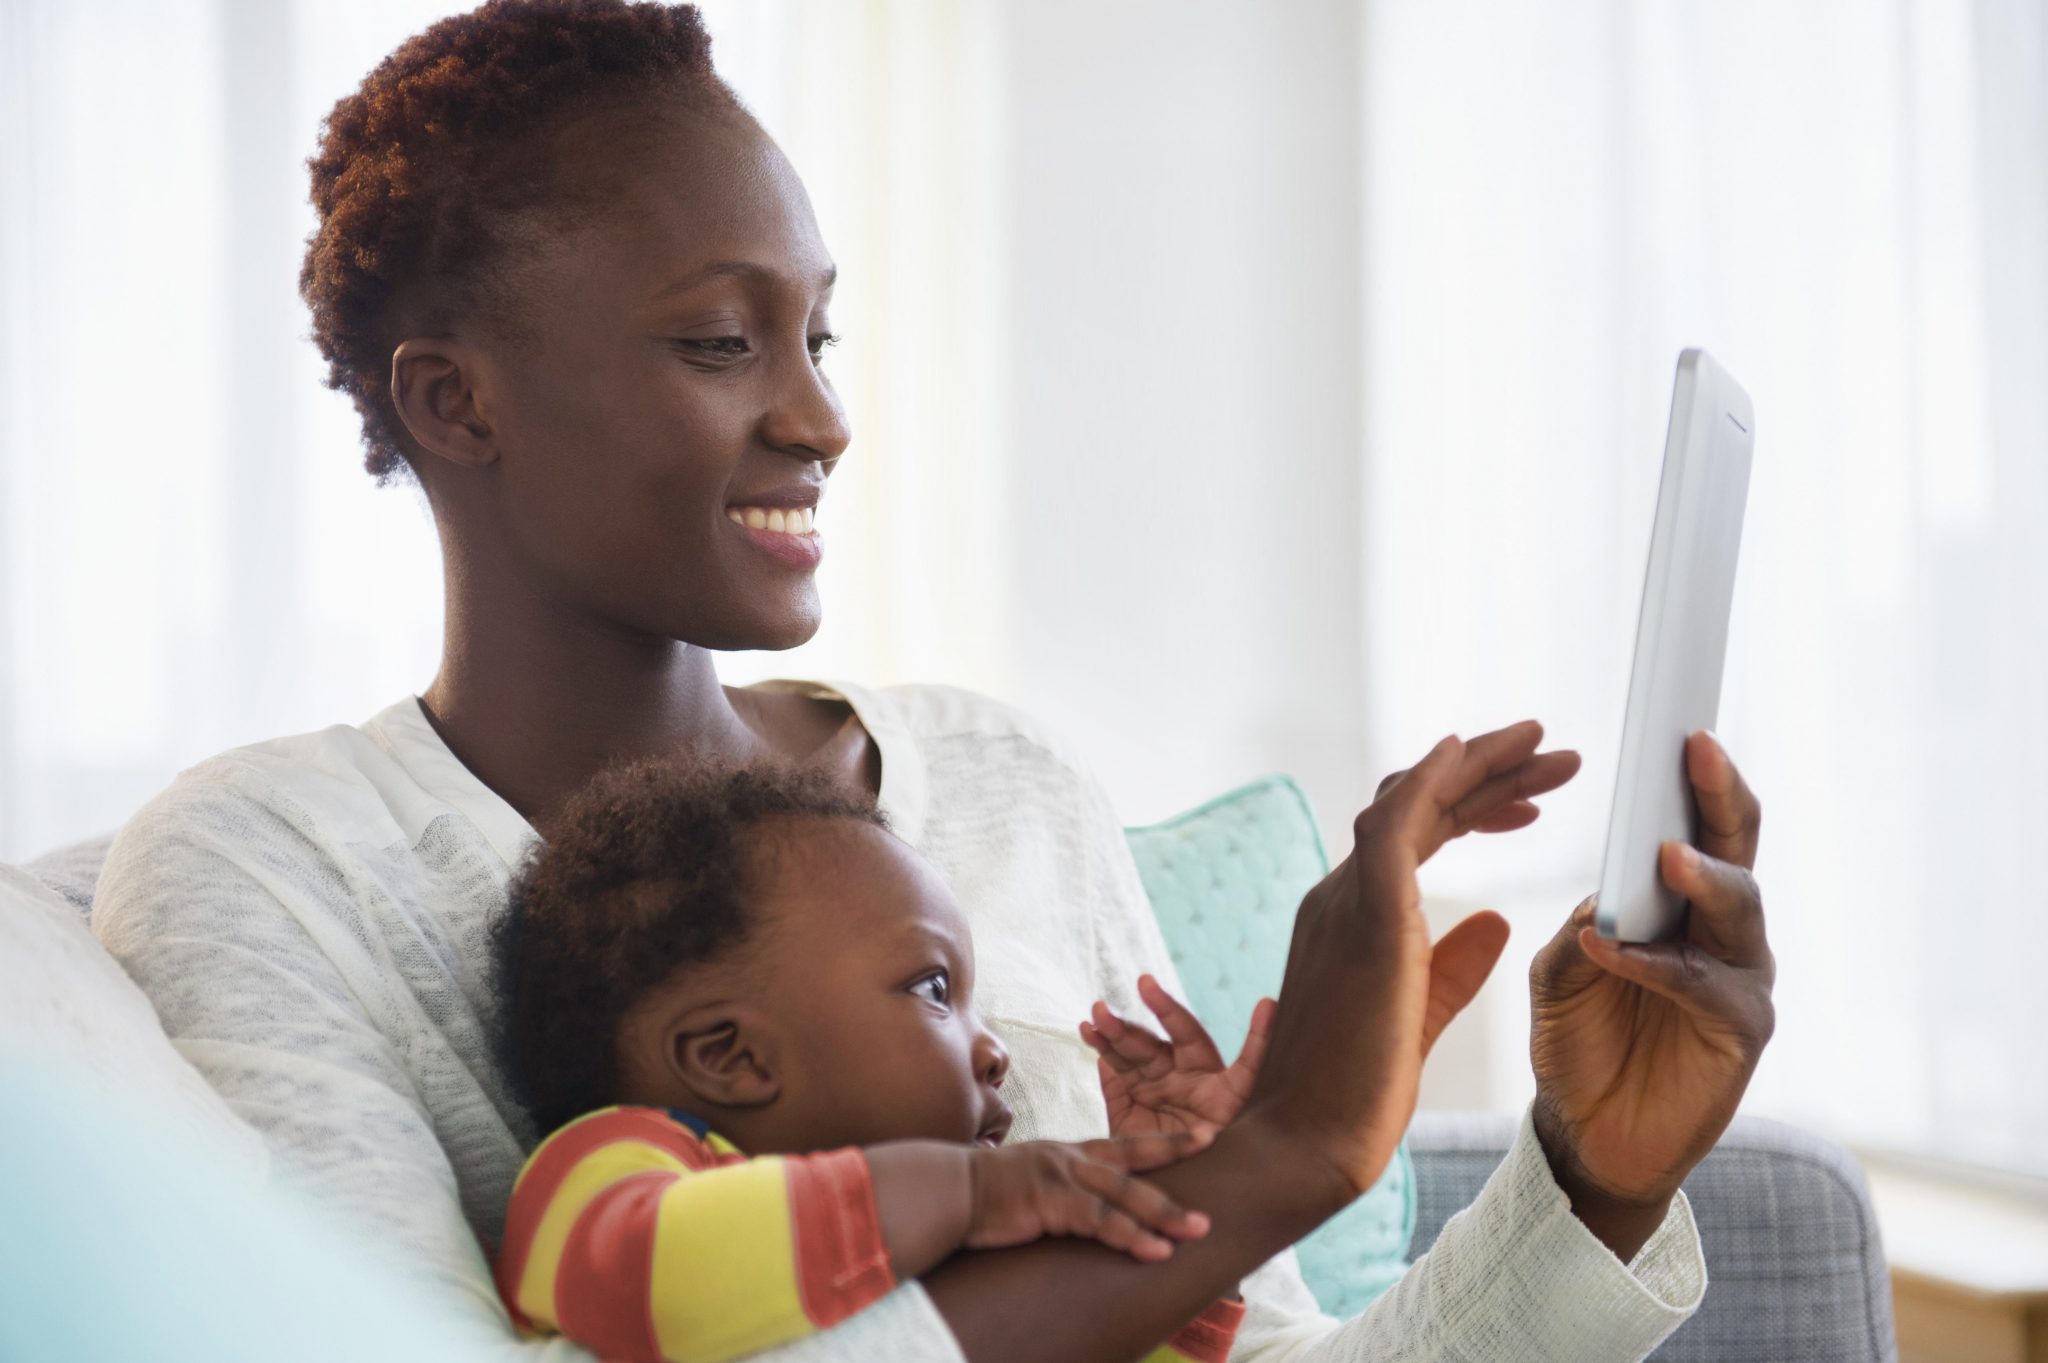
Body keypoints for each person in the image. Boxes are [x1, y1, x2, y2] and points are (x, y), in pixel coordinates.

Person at [90, 3, 1777, 1361]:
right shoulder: (275, 867)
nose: (818, 417)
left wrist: (1586, 1183)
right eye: (718, 340)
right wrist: (1284, 1156)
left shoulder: (999, 779)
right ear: (457, 404)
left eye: (817, 335)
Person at [491, 759, 1265, 1363]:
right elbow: (650, 1280)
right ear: (730, 1056)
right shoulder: (604, 1163)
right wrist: (973, 1192)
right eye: (934, 987)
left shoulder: (933, 1242)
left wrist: (1184, 1210)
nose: (995, 1050)